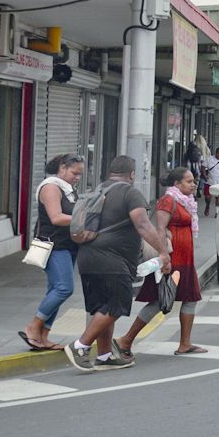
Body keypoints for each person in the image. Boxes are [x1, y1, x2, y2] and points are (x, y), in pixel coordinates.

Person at [65, 156, 170, 372]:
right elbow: (142, 225)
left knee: (104, 307)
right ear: (132, 174)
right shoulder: (130, 193)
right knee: (116, 305)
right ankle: (80, 346)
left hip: (88, 258)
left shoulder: (99, 189)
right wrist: (162, 251)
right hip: (112, 260)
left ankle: (104, 356)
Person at [115, 167, 205, 357]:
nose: (193, 184)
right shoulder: (168, 200)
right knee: (159, 300)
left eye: (193, 181)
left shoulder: (188, 202)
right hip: (172, 260)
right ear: (177, 184)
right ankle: (126, 340)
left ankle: (185, 344)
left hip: (185, 259)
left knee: (190, 298)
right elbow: (160, 229)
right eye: (188, 181)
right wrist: (165, 259)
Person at [19, 154, 85, 351]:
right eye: (74, 173)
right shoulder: (51, 187)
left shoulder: (67, 189)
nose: (77, 178)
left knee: (55, 290)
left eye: (80, 175)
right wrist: (85, 218)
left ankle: (44, 336)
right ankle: (33, 327)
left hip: (68, 245)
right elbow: (56, 217)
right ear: (62, 168)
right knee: (64, 288)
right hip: (53, 246)